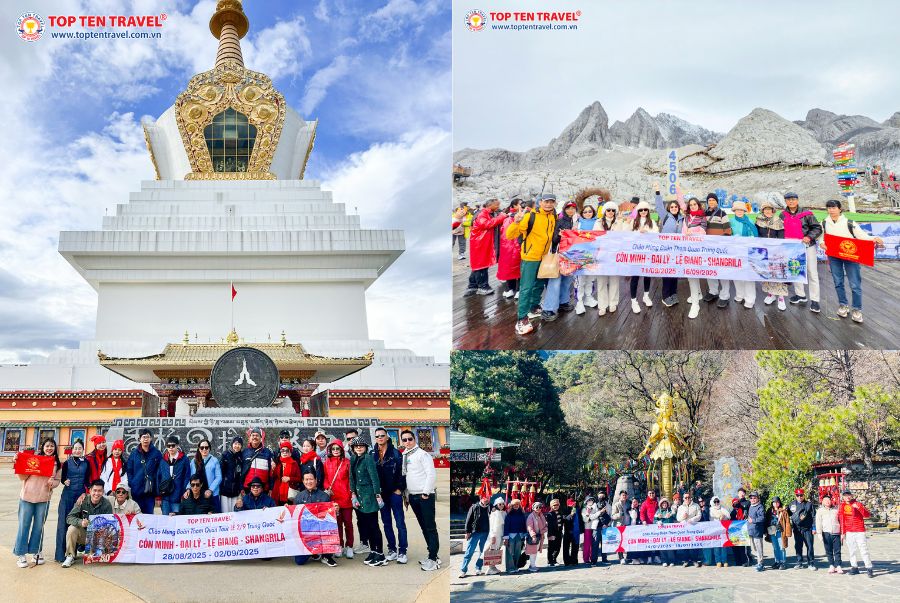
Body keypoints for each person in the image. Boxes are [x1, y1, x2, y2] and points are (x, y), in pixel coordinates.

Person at [820, 199, 884, 323]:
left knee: (855, 284)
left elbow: (862, 236)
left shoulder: (849, 222)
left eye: (833, 207)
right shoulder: (824, 222)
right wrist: (822, 243)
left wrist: (874, 238)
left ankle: (856, 309)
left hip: (851, 256)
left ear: (839, 209)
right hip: (834, 256)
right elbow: (821, 237)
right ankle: (843, 305)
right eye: (829, 208)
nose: (831, 210)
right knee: (838, 282)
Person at [506, 192, 557, 335]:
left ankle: (533, 307)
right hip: (530, 257)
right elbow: (510, 235)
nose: (548, 204)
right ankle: (521, 318)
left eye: (551, 202)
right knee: (526, 288)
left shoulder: (553, 216)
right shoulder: (530, 216)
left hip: (544, 257)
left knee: (540, 284)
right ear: (540, 202)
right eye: (546, 201)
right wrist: (516, 222)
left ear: (554, 203)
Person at [15, 438, 61, 568]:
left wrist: (53, 483)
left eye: (52, 446)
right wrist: (19, 463)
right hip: (27, 497)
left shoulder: (57, 464)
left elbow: (57, 480)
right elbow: (22, 477)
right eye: (47, 446)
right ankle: (21, 553)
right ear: (43, 447)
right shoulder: (34, 459)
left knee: (39, 526)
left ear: (55, 448)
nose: (49, 448)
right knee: (24, 525)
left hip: (44, 499)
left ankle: (36, 551)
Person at [400, 429, 440, 571]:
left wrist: (426, 492)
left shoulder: (422, 454)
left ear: (414, 439)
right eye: (404, 440)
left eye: (410, 439)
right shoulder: (405, 454)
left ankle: (434, 559)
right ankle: (432, 554)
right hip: (412, 496)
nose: (407, 442)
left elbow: (431, 474)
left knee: (430, 527)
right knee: (423, 527)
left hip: (424, 496)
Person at [782, 192, 823, 313]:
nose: (791, 201)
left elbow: (817, 228)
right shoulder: (782, 215)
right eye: (788, 200)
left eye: (793, 199)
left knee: (812, 272)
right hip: (792, 248)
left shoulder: (807, 214)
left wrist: (809, 237)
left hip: (807, 246)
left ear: (797, 200)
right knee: (796, 270)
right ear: (785, 201)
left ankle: (815, 300)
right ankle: (800, 295)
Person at [372, 426, 407, 563]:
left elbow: (403, 472)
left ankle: (403, 551)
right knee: (386, 523)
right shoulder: (372, 454)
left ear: (387, 437)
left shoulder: (396, 453)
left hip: (394, 493)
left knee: (400, 523)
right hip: (381, 495)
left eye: (382, 435)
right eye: (377, 436)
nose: (380, 438)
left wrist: (399, 489)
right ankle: (392, 549)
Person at [349, 436, 386, 566]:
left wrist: (377, 494)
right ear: (353, 448)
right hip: (359, 496)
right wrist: (353, 493)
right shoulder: (354, 458)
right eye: (356, 446)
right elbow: (351, 478)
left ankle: (380, 554)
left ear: (365, 447)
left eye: (361, 445)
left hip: (369, 495)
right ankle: (373, 550)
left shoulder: (368, 458)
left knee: (373, 525)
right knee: (366, 525)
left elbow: (374, 478)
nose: (359, 447)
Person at [60, 480, 112, 567]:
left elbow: (109, 525)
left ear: (103, 492)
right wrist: (81, 522)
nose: (96, 493)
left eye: (99, 491)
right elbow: (69, 518)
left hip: (98, 538)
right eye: (94, 490)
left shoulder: (106, 504)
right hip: (84, 535)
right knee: (72, 529)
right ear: (90, 490)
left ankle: (94, 552)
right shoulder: (82, 501)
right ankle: (70, 556)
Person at [541, 200, 578, 320]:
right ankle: (548, 309)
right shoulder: (560, 221)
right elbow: (554, 239)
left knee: (567, 280)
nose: (570, 210)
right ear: (564, 209)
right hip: (559, 255)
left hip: (570, 256)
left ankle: (563, 302)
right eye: (568, 208)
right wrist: (560, 236)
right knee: (555, 281)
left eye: (573, 208)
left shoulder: (576, 221)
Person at [292, 472, 340, 567]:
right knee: (299, 561)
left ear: (316, 480)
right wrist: (287, 510)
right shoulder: (299, 497)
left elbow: (331, 518)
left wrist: (335, 510)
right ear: (303, 481)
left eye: (311, 479)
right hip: (306, 535)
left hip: (321, 532)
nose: (309, 481)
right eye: (306, 479)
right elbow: (294, 517)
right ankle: (314, 552)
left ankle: (326, 556)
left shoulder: (324, 496)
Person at [54, 439, 88, 563]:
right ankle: (60, 554)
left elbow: (87, 480)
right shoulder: (67, 463)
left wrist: (85, 492)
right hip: (68, 496)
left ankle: (72, 553)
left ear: (82, 450)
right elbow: (62, 478)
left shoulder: (86, 463)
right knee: (63, 523)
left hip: (80, 496)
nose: (77, 450)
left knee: (76, 523)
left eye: (80, 448)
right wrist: (65, 481)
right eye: (75, 448)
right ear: (72, 450)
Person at [464, 198, 507, 296]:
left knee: (478, 265)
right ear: (490, 205)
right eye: (497, 205)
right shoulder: (482, 214)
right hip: (480, 243)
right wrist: (501, 217)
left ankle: (472, 285)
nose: (498, 207)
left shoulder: (486, 213)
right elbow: (487, 224)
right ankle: (483, 286)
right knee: (481, 265)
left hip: (482, 243)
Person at [323, 438, 354, 559]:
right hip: (333, 497)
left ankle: (349, 546)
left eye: (338, 448)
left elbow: (351, 479)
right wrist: (327, 487)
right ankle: (339, 545)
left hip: (346, 497)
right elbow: (325, 478)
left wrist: (351, 493)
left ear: (342, 449)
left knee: (348, 523)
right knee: (337, 524)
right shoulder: (326, 462)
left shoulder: (347, 462)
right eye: (333, 448)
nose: (335, 450)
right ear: (330, 449)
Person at [755, 200, 789, 311]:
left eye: (769, 209)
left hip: (776, 252)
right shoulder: (759, 221)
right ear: (763, 211)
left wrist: (776, 248)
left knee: (778, 273)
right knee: (767, 273)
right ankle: (771, 294)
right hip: (764, 252)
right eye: (765, 209)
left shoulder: (778, 221)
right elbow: (757, 235)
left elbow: (781, 236)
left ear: (773, 210)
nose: (768, 211)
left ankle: (781, 297)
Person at [591, 201, 624, 316]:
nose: (610, 212)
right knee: (601, 281)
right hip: (601, 256)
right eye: (608, 210)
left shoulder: (619, 222)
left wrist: (620, 222)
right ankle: (602, 305)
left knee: (614, 280)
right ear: (605, 211)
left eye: (613, 210)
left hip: (615, 256)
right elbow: (594, 237)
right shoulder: (598, 222)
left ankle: (613, 303)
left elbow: (624, 236)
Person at [701, 192, 733, 308]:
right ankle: (713, 291)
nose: (711, 202)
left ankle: (725, 295)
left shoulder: (722, 213)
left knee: (722, 270)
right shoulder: (704, 214)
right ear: (707, 202)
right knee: (710, 270)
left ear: (716, 202)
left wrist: (720, 243)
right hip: (708, 247)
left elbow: (728, 230)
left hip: (720, 247)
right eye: (709, 200)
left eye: (713, 200)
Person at [628, 201, 658, 313]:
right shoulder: (633, 222)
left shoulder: (652, 222)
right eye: (641, 210)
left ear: (648, 211)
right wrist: (638, 233)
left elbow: (656, 235)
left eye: (645, 209)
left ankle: (646, 296)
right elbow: (627, 236)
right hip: (636, 253)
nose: (643, 212)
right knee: (635, 277)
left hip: (648, 253)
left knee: (647, 274)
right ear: (638, 211)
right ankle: (633, 301)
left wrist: (648, 233)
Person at [125, 427, 162, 515]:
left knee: (149, 515)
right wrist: (132, 483)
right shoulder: (134, 453)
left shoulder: (156, 453)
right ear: (140, 439)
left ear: (151, 438)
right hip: (137, 490)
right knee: (137, 516)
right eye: (143, 437)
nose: (145, 439)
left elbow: (160, 471)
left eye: (148, 437)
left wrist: (157, 488)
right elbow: (129, 470)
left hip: (150, 491)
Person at [729, 201, 759, 308]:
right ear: (734, 211)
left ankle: (750, 299)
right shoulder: (731, 221)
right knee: (737, 274)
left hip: (748, 252)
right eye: (737, 210)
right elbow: (728, 235)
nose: (739, 212)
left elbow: (754, 235)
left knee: (748, 275)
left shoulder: (750, 221)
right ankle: (739, 295)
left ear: (744, 211)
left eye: (741, 210)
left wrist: (748, 239)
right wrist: (734, 238)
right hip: (736, 251)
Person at [838, 489, 873, 577]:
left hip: (859, 530)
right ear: (843, 497)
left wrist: (860, 508)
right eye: (845, 495)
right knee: (851, 551)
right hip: (849, 531)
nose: (847, 497)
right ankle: (854, 567)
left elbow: (867, 515)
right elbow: (841, 519)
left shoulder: (858, 504)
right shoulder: (842, 506)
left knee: (863, 550)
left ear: (851, 495)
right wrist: (842, 532)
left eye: (848, 495)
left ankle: (869, 567)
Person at [683, 197, 708, 320]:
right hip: (687, 249)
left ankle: (695, 305)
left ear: (698, 205)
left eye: (695, 204)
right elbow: (683, 232)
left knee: (693, 273)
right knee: (690, 274)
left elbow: (703, 232)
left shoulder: (702, 217)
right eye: (691, 205)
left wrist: (691, 231)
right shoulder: (687, 218)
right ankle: (698, 294)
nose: (693, 206)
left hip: (697, 249)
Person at [659, 198, 686, 306]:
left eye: (676, 207)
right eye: (672, 207)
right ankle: (665, 296)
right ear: (669, 208)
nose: (674, 208)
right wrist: (657, 192)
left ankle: (673, 293)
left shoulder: (682, 219)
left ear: (678, 208)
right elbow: (658, 206)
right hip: (666, 250)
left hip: (677, 250)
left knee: (675, 272)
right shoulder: (665, 216)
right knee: (667, 273)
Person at [574, 204, 598, 314]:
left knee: (591, 278)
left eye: (590, 211)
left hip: (594, 254)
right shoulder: (578, 222)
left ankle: (588, 297)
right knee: (580, 279)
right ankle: (579, 301)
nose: (588, 213)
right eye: (585, 212)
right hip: (581, 254)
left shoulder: (598, 222)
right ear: (582, 213)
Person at [157, 436, 190, 516]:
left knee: (177, 520)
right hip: (165, 497)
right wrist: (158, 496)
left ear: (177, 446)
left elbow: (187, 476)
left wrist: (185, 491)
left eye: (173, 445)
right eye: (169, 446)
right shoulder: (163, 460)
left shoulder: (184, 459)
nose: (171, 448)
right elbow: (158, 477)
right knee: (165, 521)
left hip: (178, 496)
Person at [459, 494, 491, 577]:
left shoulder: (490, 507)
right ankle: (463, 570)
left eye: (487, 498)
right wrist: (467, 532)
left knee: (482, 552)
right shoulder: (474, 507)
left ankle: (478, 568)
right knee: (469, 551)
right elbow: (468, 520)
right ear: (481, 498)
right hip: (475, 532)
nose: (486, 500)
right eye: (484, 498)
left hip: (486, 532)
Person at [185, 438, 221, 511]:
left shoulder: (214, 460)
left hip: (212, 494)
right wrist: (188, 488)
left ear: (209, 448)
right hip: (198, 495)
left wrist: (210, 490)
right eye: (202, 447)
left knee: (215, 517)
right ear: (199, 449)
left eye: (206, 447)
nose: (204, 449)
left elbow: (219, 477)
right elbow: (191, 477)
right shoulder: (194, 461)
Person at [497, 198, 523, 300]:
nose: (522, 206)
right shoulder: (513, 218)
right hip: (515, 247)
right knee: (519, 269)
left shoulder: (506, 218)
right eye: (520, 204)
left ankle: (509, 289)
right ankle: (518, 290)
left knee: (510, 268)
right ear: (514, 206)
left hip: (506, 248)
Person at [242, 426, 275, 493]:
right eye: (253, 435)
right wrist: (241, 487)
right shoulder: (244, 452)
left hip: (263, 488)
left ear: (261, 438)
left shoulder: (267, 452)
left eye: (257, 435)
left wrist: (271, 488)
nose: (255, 437)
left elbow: (271, 472)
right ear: (250, 438)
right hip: (248, 488)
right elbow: (240, 472)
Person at [789, 488, 816, 570]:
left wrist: (814, 527)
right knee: (798, 546)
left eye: (801, 495)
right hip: (797, 529)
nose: (799, 497)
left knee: (810, 546)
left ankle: (811, 563)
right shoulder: (792, 504)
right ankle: (799, 562)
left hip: (807, 529)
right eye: (797, 495)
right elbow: (787, 514)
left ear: (804, 495)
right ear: (795, 495)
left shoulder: (809, 504)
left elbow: (814, 516)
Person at [816, 493, 842, 574]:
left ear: (831, 501)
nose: (827, 502)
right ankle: (831, 565)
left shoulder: (836, 509)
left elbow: (841, 521)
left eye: (828, 500)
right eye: (825, 500)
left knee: (837, 550)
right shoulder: (820, 511)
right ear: (822, 502)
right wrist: (819, 533)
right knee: (828, 550)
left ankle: (838, 565)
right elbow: (818, 522)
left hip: (836, 532)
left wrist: (842, 533)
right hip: (826, 533)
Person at [272, 441, 302, 505]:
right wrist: (272, 469)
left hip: (289, 493)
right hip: (277, 492)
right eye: (282, 450)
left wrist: (289, 478)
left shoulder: (294, 463)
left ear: (290, 453)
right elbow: (273, 476)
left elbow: (299, 478)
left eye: (287, 450)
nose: (285, 452)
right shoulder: (277, 462)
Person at [219, 436, 245, 513]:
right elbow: (221, 473)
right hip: (225, 490)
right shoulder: (225, 455)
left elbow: (240, 475)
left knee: (235, 514)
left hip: (236, 491)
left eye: (239, 444)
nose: (237, 446)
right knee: (225, 513)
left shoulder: (241, 457)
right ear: (232, 444)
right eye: (235, 443)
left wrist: (240, 489)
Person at [676, 491, 702, 567]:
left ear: (691, 498)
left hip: (694, 527)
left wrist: (692, 519)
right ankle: (686, 560)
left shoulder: (696, 505)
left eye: (688, 497)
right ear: (683, 499)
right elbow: (678, 518)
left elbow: (699, 515)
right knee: (685, 545)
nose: (687, 499)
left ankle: (694, 560)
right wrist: (683, 517)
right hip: (684, 529)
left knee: (694, 544)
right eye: (685, 497)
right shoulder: (680, 507)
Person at [766, 496, 791, 570]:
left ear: (779, 503)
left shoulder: (783, 511)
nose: (776, 503)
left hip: (781, 531)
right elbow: (766, 521)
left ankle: (783, 562)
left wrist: (788, 533)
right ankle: (777, 561)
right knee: (775, 547)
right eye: (774, 502)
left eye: (777, 502)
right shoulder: (769, 511)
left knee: (781, 547)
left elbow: (787, 522)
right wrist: (766, 531)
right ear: (772, 503)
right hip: (772, 530)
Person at [503, 498, 527, 573]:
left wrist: (524, 534)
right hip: (510, 536)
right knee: (510, 552)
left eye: (517, 504)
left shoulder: (522, 514)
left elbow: (524, 525)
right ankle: (510, 568)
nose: (516, 506)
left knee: (518, 552)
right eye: (514, 505)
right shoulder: (509, 515)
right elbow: (506, 526)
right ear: (512, 506)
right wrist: (506, 538)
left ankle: (516, 566)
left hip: (520, 535)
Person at [485, 496, 507, 575]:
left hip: (501, 534)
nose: (501, 505)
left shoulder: (504, 513)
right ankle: (490, 568)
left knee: (497, 550)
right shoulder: (493, 514)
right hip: (495, 535)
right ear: (496, 505)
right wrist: (493, 536)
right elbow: (491, 526)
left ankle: (493, 567)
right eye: (499, 504)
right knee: (493, 550)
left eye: (502, 504)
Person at [525, 501, 548, 572]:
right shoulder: (531, 516)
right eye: (537, 507)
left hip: (540, 536)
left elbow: (545, 525)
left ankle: (533, 564)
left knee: (535, 551)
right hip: (534, 537)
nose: (538, 508)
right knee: (532, 552)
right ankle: (532, 566)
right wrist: (533, 536)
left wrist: (543, 530)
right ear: (533, 508)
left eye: (540, 507)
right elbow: (530, 527)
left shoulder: (541, 515)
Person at [654, 497, 677, 567]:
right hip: (661, 532)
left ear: (667, 504)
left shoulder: (670, 510)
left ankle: (671, 561)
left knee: (670, 546)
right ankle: (664, 560)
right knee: (662, 546)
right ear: (661, 504)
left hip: (670, 532)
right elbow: (654, 520)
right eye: (663, 503)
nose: (664, 504)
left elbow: (676, 518)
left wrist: (672, 515)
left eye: (665, 503)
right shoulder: (658, 511)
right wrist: (658, 521)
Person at [639, 489, 660, 564]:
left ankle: (657, 556)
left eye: (653, 493)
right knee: (649, 542)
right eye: (650, 493)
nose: (651, 495)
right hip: (648, 525)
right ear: (647, 494)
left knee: (657, 541)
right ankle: (649, 557)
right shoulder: (645, 503)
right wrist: (643, 520)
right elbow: (642, 512)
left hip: (656, 524)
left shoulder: (657, 502)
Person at [747, 491, 766, 571]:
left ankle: (761, 564)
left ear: (758, 498)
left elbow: (762, 518)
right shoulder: (751, 506)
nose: (753, 499)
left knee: (759, 548)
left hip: (757, 531)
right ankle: (758, 562)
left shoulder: (760, 507)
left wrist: (753, 520)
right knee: (754, 548)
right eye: (751, 498)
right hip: (751, 530)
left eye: (754, 498)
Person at [708, 497, 730, 567]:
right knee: (716, 546)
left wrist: (724, 517)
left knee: (724, 546)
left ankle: (725, 560)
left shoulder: (722, 509)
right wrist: (719, 516)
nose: (716, 503)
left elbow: (728, 516)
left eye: (717, 501)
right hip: (715, 530)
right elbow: (711, 517)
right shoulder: (711, 510)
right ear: (713, 502)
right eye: (715, 502)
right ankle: (718, 561)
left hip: (722, 530)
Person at [611, 490, 631, 564]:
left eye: (625, 495)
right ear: (620, 496)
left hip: (628, 525)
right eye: (623, 495)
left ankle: (629, 557)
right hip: (620, 525)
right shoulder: (616, 504)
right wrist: (619, 515)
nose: (624, 496)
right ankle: (621, 557)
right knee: (620, 542)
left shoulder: (629, 503)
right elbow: (612, 516)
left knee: (628, 542)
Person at [581, 495, 601, 565]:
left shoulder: (596, 507)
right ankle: (586, 558)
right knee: (587, 544)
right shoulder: (584, 509)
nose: (590, 501)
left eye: (592, 500)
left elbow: (596, 516)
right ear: (586, 502)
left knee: (594, 544)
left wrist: (593, 516)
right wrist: (588, 514)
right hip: (587, 528)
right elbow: (586, 520)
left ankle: (592, 557)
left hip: (595, 528)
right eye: (589, 500)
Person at [561, 497, 580, 566]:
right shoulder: (565, 510)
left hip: (575, 531)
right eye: (571, 504)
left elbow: (580, 519)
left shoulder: (577, 509)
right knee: (566, 547)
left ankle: (574, 560)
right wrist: (571, 515)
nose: (572, 505)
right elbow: (564, 519)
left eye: (573, 504)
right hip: (567, 531)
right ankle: (567, 561)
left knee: (575, 546)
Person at [545, 498, 563, 566]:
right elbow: (549, 526)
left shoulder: (560, 512)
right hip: (552, 533)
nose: (556, 506)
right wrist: (550, 535)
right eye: (554, 505)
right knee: (551, 547)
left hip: (559, 532)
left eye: (557, 505)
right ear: (551, 506)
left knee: (558, 547)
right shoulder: (549, 514)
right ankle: (550, 561)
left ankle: (554, 560)